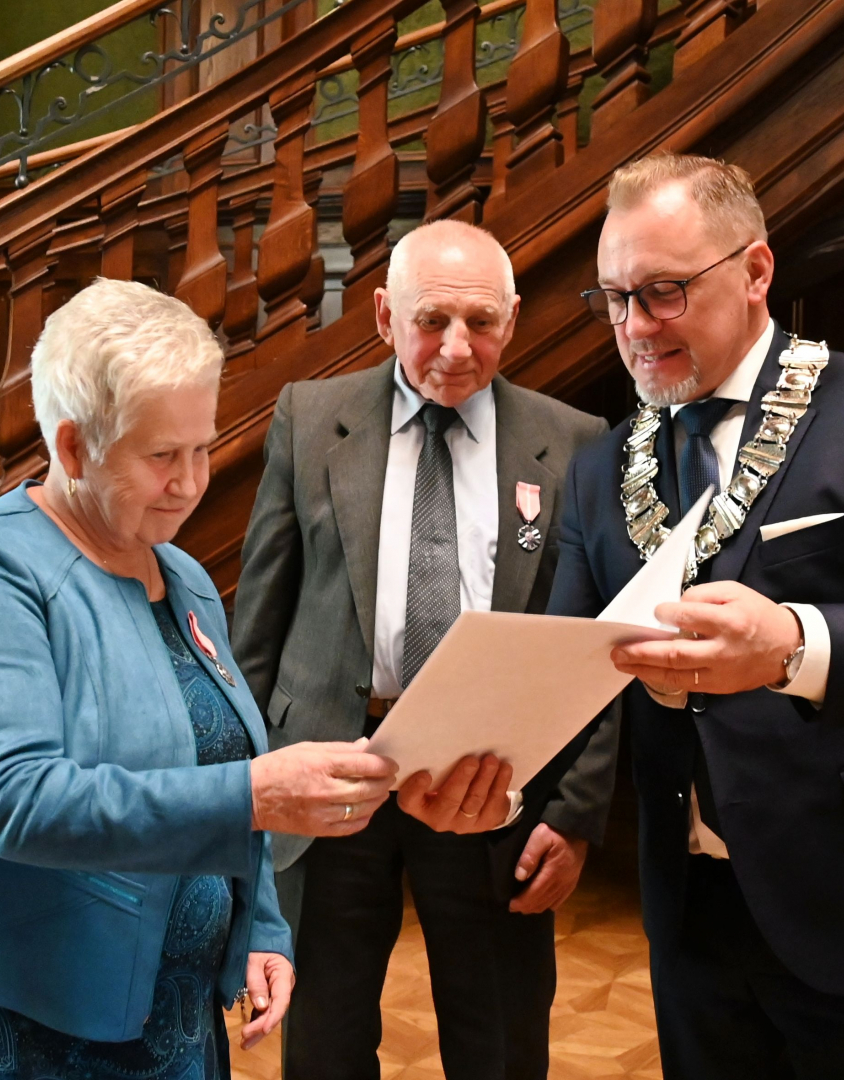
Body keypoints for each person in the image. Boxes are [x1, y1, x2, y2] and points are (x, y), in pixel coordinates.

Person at [548, 154, 844, 1079]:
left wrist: (796, 647)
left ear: (756, 271)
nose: (634, 328)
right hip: (690, 918)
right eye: (612, 300)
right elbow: (567, 669)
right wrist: (486, 775)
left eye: (662, 292)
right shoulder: (599, 467)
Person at [0, 278, 398, 1080]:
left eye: (202, 448)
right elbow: (13, 800)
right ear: (72, 448)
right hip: (24, 1024)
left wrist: (259, 926)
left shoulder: (181, 575)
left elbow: (219, 759)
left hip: (172, 1014)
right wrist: (253, 796)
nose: (190, 482)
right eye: (162, 456)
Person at [232, 219, 620, 1080]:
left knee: (501, 1044)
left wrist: (573, 814)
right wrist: (241, 800)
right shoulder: (309, 419)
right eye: (431, 321)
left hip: (490, 788)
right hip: (332, 775)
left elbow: (592, 648)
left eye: (481, 322)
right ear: (384, 315)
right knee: (324, 1043)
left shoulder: (574, 441)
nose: (456, 348)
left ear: (511, 319)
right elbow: (258, 624)